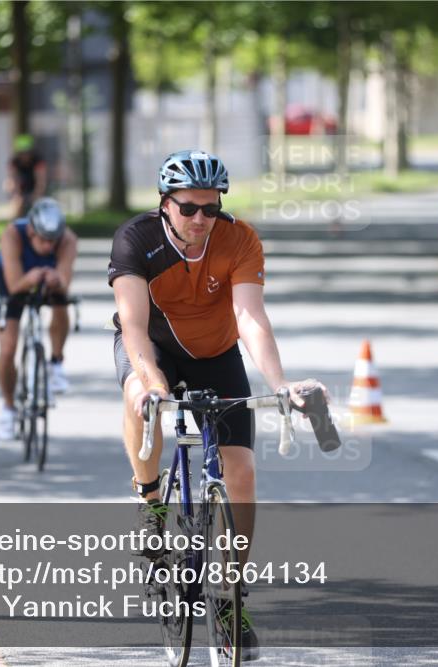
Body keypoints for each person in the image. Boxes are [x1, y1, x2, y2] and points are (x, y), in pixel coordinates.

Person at [108, 149, 325, 660]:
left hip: (215, 351)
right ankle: (148, 499)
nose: (202, 219)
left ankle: (230, 598)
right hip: (154, 349)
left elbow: (250, 317)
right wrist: (154, 383)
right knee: (141, 397)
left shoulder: (239, 238)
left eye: (211, 207)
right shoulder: (135, 239)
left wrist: (280, 383)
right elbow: (133, 327)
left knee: (242, 471)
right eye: (189, 208)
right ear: (166, 205)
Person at [0, 198, 78, 440]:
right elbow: (13, 285)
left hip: (45, 279)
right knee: (8, 347)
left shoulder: (68, 240)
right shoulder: (12, 235)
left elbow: (65, 280)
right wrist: (30, 279)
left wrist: (55, 280)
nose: (48, 247)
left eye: (53, 241)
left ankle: (56, 362)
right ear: (31, 231)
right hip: (13, 282)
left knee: (62, 299)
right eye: (42, 240)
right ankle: (9, 407)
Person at [5, 134, 48, 219]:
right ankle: (16, 223)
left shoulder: (37, 160)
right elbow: (12, 178)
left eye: (27, 152)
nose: (24, 155)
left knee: (37, 204)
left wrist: (37, 194)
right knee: (16, 202)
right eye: (22, 153)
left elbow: (41, 180)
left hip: (34, 185)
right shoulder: (14, 161)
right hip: (21, 186)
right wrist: (17, 195)